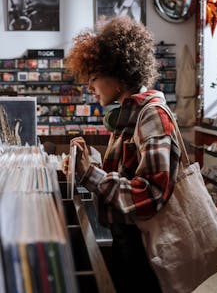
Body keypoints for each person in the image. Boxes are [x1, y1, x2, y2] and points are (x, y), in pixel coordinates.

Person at [62, 15, 181, 293]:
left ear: (119, 73)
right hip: (127, 239)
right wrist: (87, 161)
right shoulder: (128, 115)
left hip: (145, 247)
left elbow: (150, 194)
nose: (89, 87)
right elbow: (126, 174)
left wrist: (89, 173)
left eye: (93, 78)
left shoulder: (151, 116)